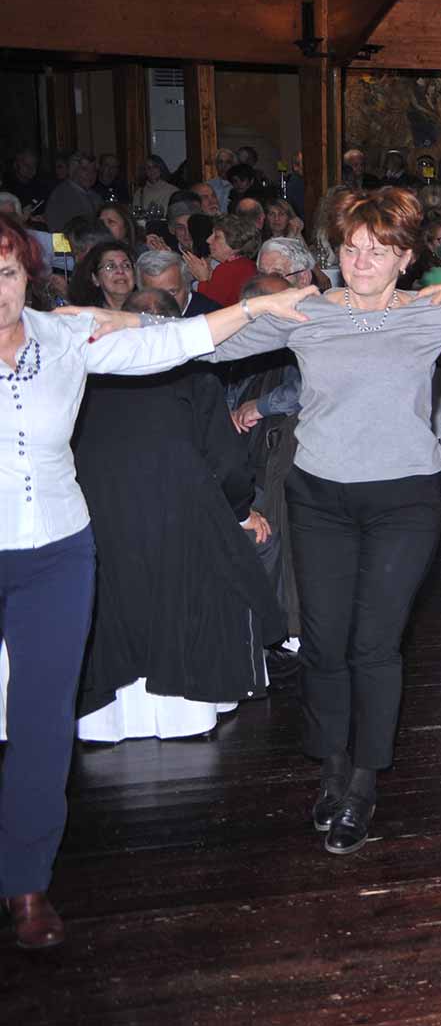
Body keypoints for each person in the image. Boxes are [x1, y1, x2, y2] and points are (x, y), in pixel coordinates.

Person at [95, 188, 441, 857]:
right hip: (320, 497)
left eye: (378, 251)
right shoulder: (306, 312)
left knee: (374, 645)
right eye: (353, 248)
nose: (362, 261)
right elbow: (205, 345)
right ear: (337, 252)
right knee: (325, 645)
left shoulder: (433, 310)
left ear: (404, 259)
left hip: (404, 500)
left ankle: (363, 781)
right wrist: (108, 324)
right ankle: (331, 768)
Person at [1, 214, 314, 950]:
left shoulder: (63, 337)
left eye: (5, 273)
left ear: (27, 277)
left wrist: (260, 307)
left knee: (43, 719)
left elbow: (174, 342)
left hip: (56, 553)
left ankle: (26, 882)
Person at [73, 286, 285, 729]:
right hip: (181, 515)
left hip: (100, 515)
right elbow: (228, 464)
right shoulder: (196, 379)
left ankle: (109, 722)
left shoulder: (87, 376)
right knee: (226, 559)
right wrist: (241, 513)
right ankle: (189, 712)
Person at [197, 213, 261, 308]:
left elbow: (207, 309)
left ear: (234, 242)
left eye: (216, 236)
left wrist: (202, 279)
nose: (208, 240)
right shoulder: (248, 265)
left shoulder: (227, 270)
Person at [135, 247, 219, 318]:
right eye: (156, 295)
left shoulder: (212, 318)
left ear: (186, 286)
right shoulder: (138, 319)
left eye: (172, 292)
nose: (165, 303)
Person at [67, 241, 137, 311]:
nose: (120, 271)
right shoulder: (86, 315)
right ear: (95, 278)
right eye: (110, 266)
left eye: (126, 265)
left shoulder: (143, 312)